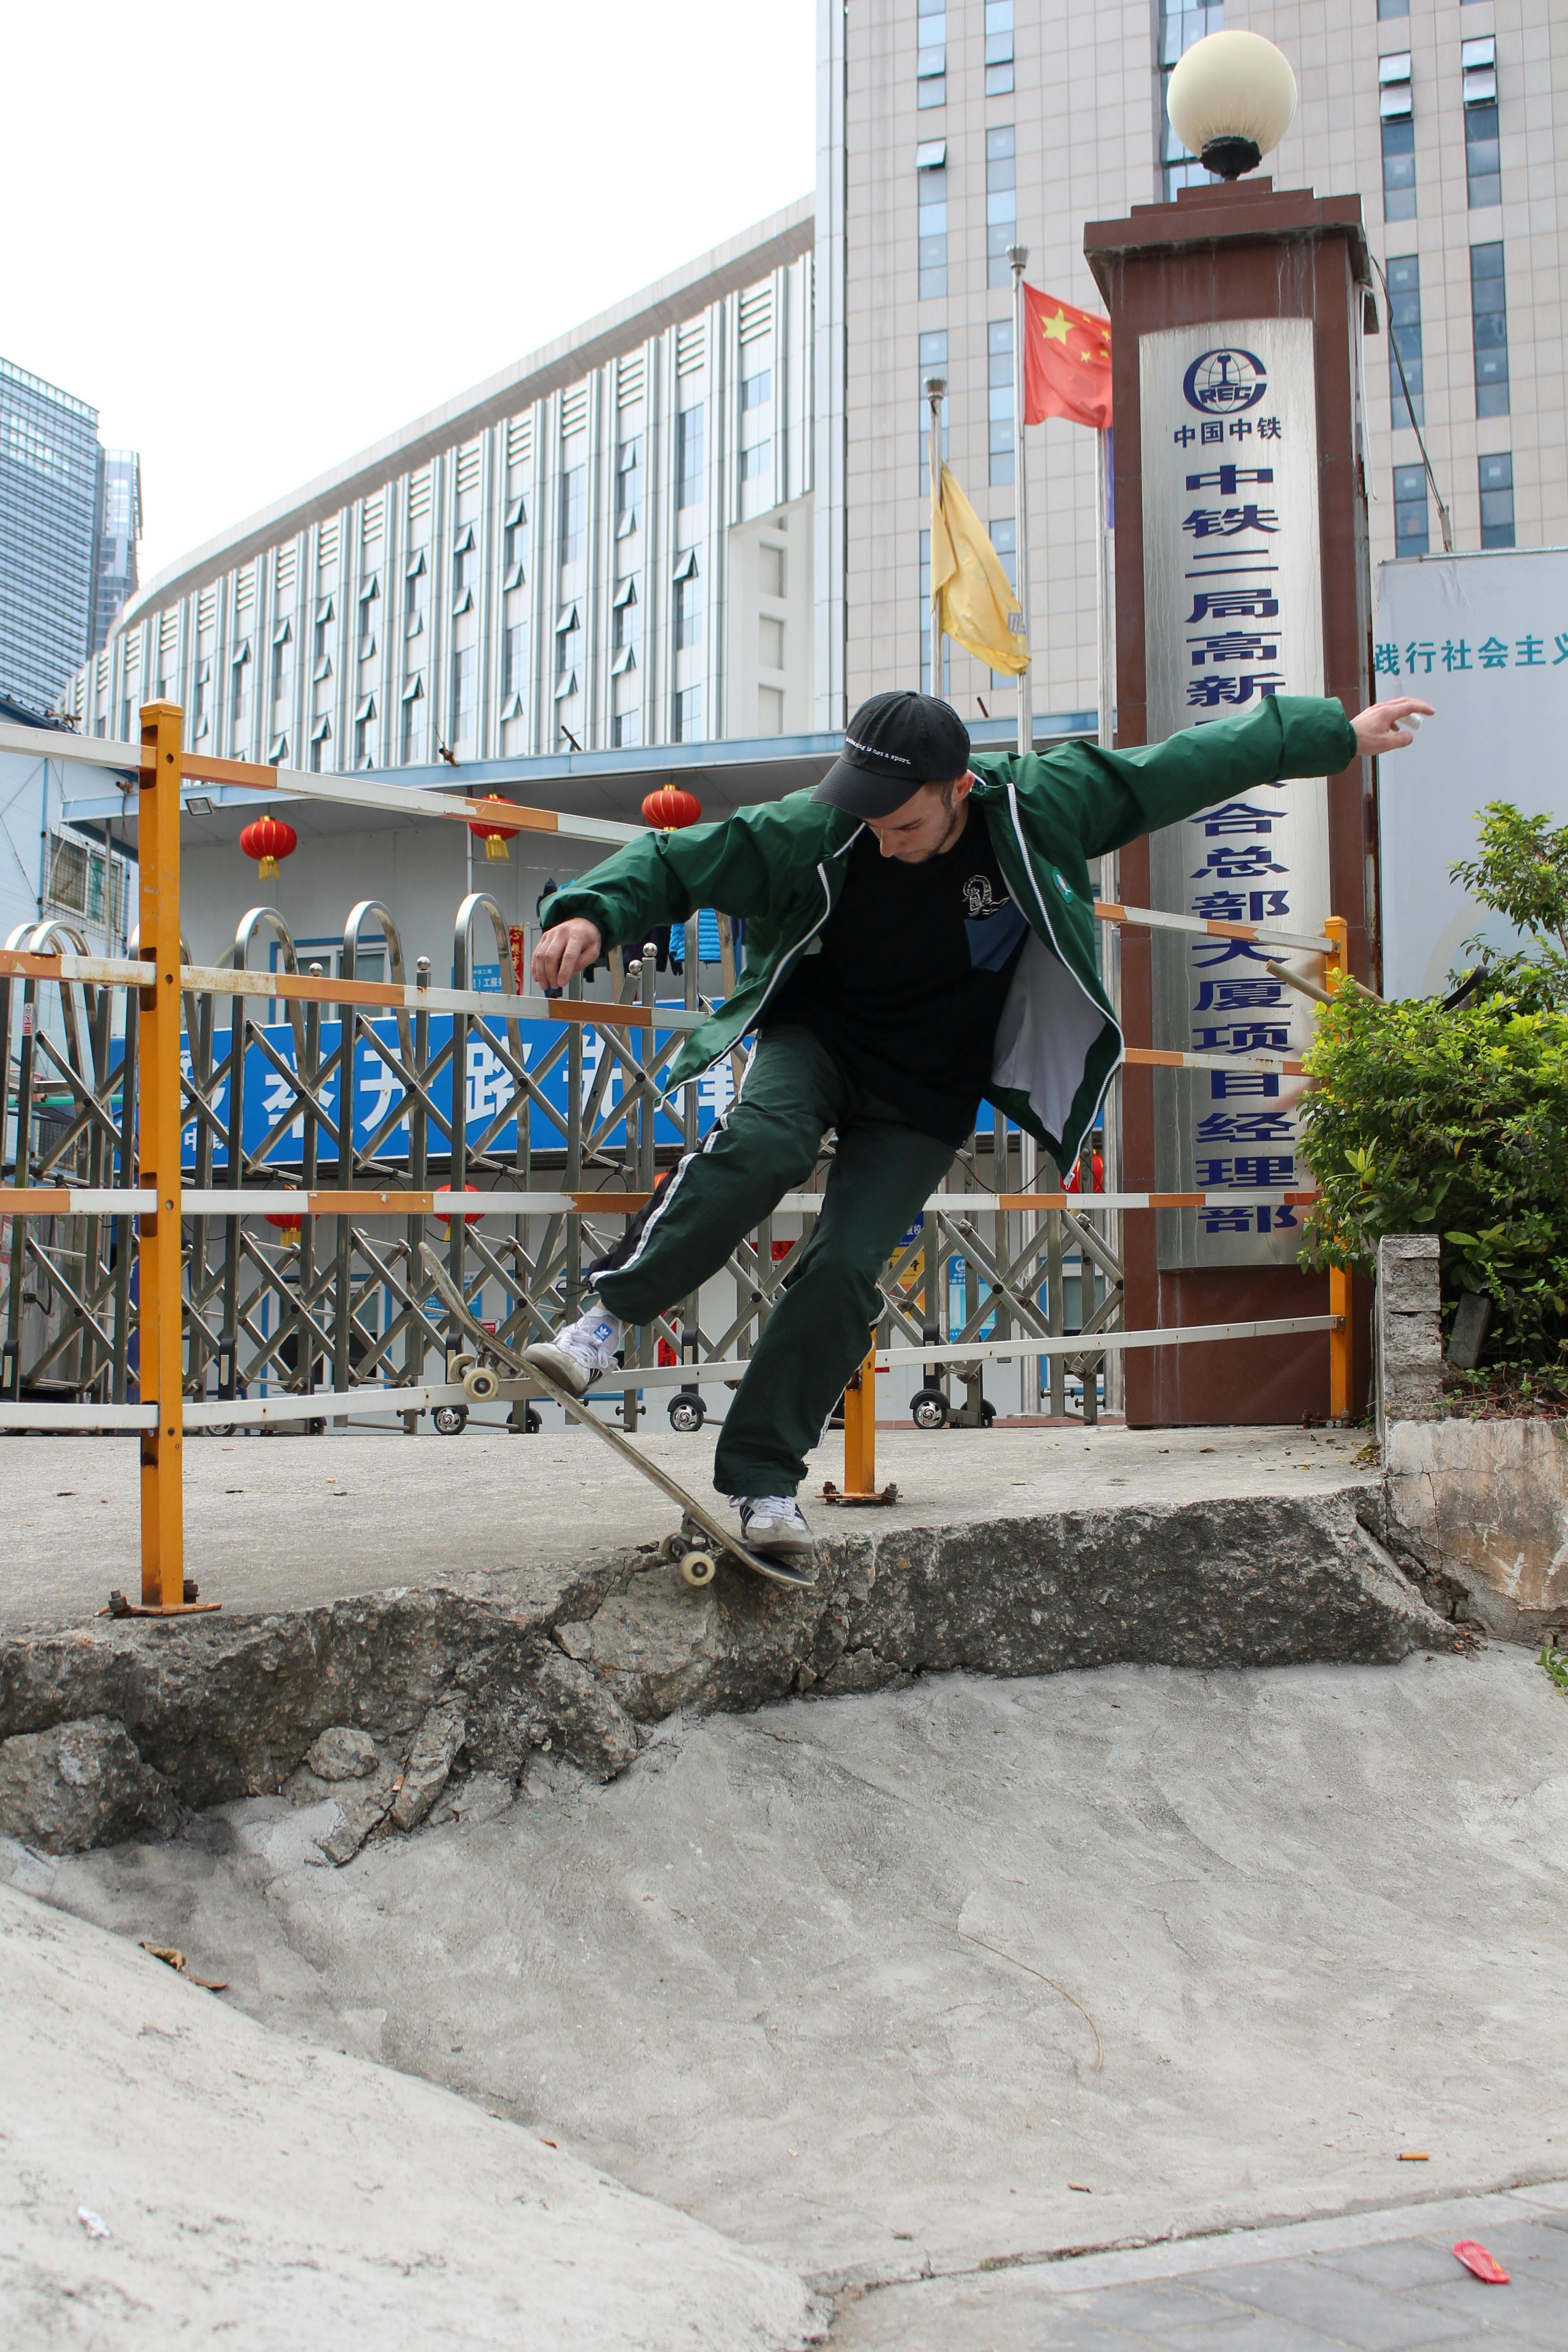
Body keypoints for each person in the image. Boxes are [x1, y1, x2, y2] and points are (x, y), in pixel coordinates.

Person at [527, 685, 1432, 1567]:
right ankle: (604, 1323)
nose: (884, 840)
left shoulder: (1043, 805)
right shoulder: (823, 823)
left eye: (905, 824)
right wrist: (589, 913)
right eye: (870, 821)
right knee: (763, 1146)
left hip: (928, 1086)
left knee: (846, 1269)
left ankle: (765, 1480)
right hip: (818, 1041)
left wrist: (1337, 734)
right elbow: (684, 860)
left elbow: (1179, 767)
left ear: (960, 788)